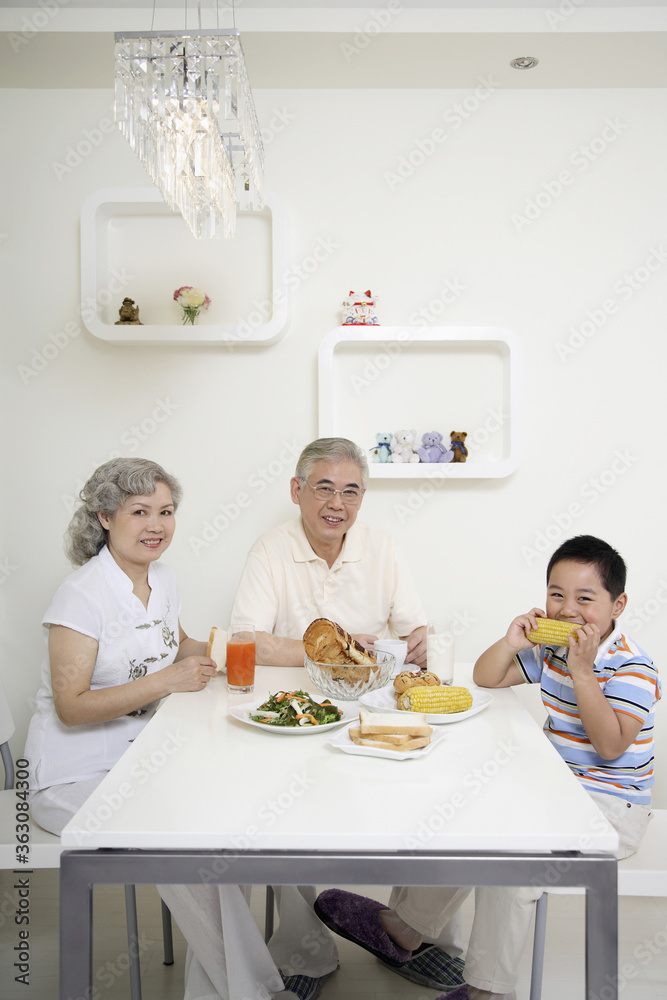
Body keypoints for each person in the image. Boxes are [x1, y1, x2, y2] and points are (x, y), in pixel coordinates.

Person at [316, 534, 661, 1000]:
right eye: (556, 595)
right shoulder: (554, 651)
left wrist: (583, 672)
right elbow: (487, 677)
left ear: (617, 604)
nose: (568, 610)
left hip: (610, 808)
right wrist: (510, 640)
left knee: (516, 859)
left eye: (585, 598)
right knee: (468, 813)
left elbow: (611, 745)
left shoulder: (633, 668)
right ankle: (406, 926)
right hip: (555, 789)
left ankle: (488, 991)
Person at [25, 458, 283, 1000]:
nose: (156, 525)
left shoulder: (160, 578)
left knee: (226, 826)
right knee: (175, 840)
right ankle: (254, 989)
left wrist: (229, 649)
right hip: (76, 774)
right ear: (103, 517)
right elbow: (72, 707)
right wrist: (168, 680)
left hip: (139, 757)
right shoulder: (81, 595)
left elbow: (178, 644)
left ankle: (234, 986)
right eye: (139, 512)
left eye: (165, 512)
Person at [226, 437, 466, 995]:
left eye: (351, 490)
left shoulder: (381, 546)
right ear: (297, 491)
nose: (337, 502)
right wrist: (324, 649)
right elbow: (246, 639)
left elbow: (414, 631)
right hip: (298, 712)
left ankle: (420, 933)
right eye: (324, 488)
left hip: (376, 709)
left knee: (438, 796)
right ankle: (304, 952)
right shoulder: (269, 548)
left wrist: (416, 646)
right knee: (278, 816)